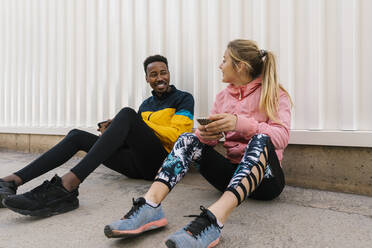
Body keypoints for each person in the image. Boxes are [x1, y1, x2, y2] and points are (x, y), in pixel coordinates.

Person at [103, 39, 292, 248]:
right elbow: (207, 143)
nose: (220, 66)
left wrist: (240, 123)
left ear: (240, 66)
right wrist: (205, 134)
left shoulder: (274, 93)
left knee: (261, 139)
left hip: (266, 183)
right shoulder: (223, 97)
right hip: (230, 178)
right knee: (187, 138)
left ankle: (213, 221)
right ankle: (150, 205)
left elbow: (282, 137)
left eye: (224, 60)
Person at [0, 55, 194, 217]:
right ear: (147, 79)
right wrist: (113, 131)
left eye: (163, 72)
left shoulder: (183, 98)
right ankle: (11, 181)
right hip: (136, 165)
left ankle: (66, 186)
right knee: (77, 136)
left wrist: (135, 122)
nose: (159, 78)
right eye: (153, 74)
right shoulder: (145, 105)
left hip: (162, 164)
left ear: (169, 74)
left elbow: (178, 135)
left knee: (126, 114)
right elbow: (140, 138)